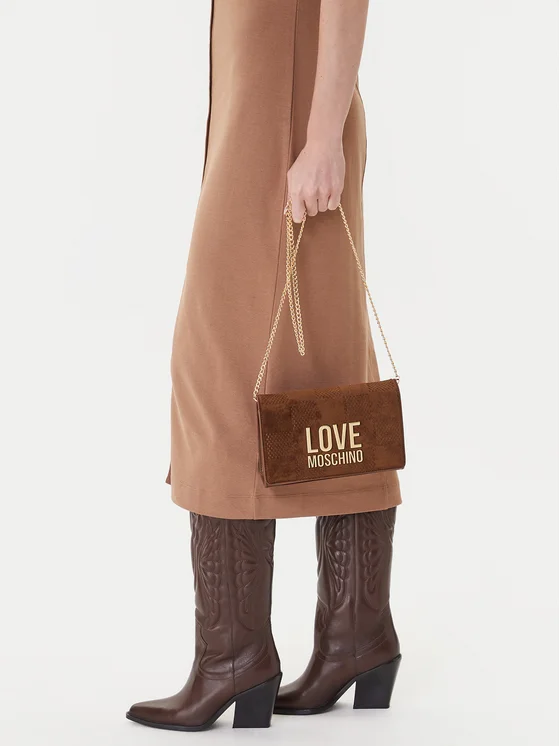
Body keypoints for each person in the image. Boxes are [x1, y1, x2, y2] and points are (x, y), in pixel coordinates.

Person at [126, 0, 402, 731]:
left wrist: (322, 138)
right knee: (328, 375)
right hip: (261, 118)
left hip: (289, 127)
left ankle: (236, 657)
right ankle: (354, 638)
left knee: (219, 372)